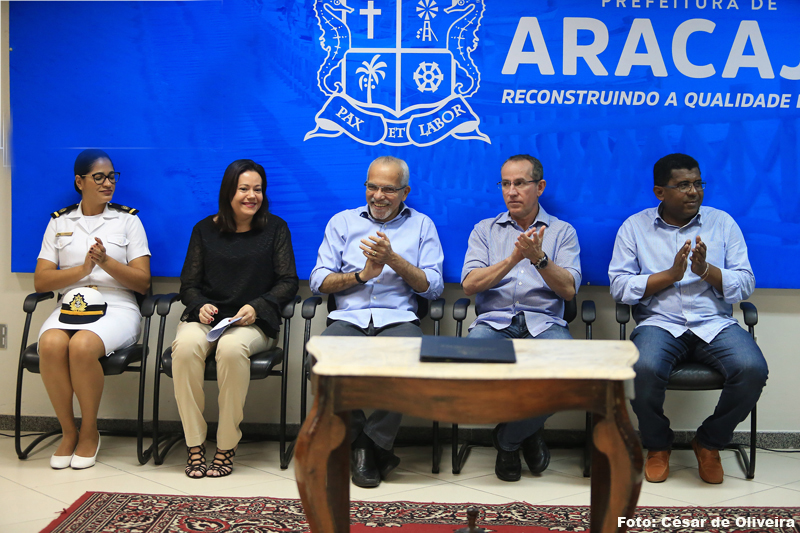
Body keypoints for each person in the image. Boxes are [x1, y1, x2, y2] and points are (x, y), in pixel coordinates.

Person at [609, 153, 768, 484]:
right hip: (659, 323)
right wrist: (669, 275)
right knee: (643, 369)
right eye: (683, 185)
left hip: (714, 323)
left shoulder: (722, 223)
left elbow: (747, 282)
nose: (694, 192)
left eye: (698, 184)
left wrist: (706, 271)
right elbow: (620, 287)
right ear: (659, 192)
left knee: (752, 369)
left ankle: (709, 442)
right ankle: (657, 445)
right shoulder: (634, 228)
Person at [309, 155, 444, 488]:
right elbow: (318, 280)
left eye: (388, 189)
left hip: (398, 318)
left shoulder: (422, 225)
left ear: (405, 192)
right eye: (373, 187)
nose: (378, 196)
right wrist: (361, 275)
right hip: (349, 318)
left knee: (411, 359)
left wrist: (393, 260)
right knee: (319, 358)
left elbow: (434, 287)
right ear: (365, 186)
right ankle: (366, 444)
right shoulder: (342, 222)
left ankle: (368, 445)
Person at [171, 159, 298, 478]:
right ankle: (195, 444)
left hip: (254, 322)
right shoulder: (203, 230)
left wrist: (258, 305)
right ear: (229, 191)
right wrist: (199, 304)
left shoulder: (276, 228)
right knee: (184, 349)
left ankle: (226, 446)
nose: (251, 195)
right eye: (244, 189)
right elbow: (188, 284)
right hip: (207, 320)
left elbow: (288, 282)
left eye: (258, 189)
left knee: (230, 349)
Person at [461, 154, 581, 482]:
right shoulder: (485, 230)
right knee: (468, 369)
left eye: (520, 183)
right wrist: (515, 258)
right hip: (494, 323)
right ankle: (529, 431)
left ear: (539, 187)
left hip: (545, 323)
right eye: (505, 183)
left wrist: (539, 259)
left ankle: (509, 439)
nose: (511, 191)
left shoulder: (562, 232)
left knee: (569, 375)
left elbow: (569, 290)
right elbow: (470, 284)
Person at [35, 149, 151, 470]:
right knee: (51, 344)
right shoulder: (60, 222)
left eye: (111, 176)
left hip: (117, 305)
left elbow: (142, 283)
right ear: (79, 181)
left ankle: (89, 431)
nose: (107, 183)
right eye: (98, 177)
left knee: (83, 345)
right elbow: (42, 281)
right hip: (72, 304)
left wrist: (106, 262)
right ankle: (68, 432)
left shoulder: (128, 220)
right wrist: (83, 269)